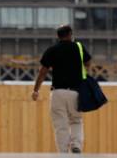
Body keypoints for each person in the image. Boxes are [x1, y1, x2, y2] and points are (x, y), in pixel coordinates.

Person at [32, 24, 92, 153]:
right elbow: (87, 63)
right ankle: (76, 146)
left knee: (60, 125)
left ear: (58, 36)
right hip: (76, 92)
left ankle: (63, 152)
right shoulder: (79, 47)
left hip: (58, 92)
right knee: (76, 120)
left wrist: (36, 90)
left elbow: (42, 72)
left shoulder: (52, 50)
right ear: (70, 34)